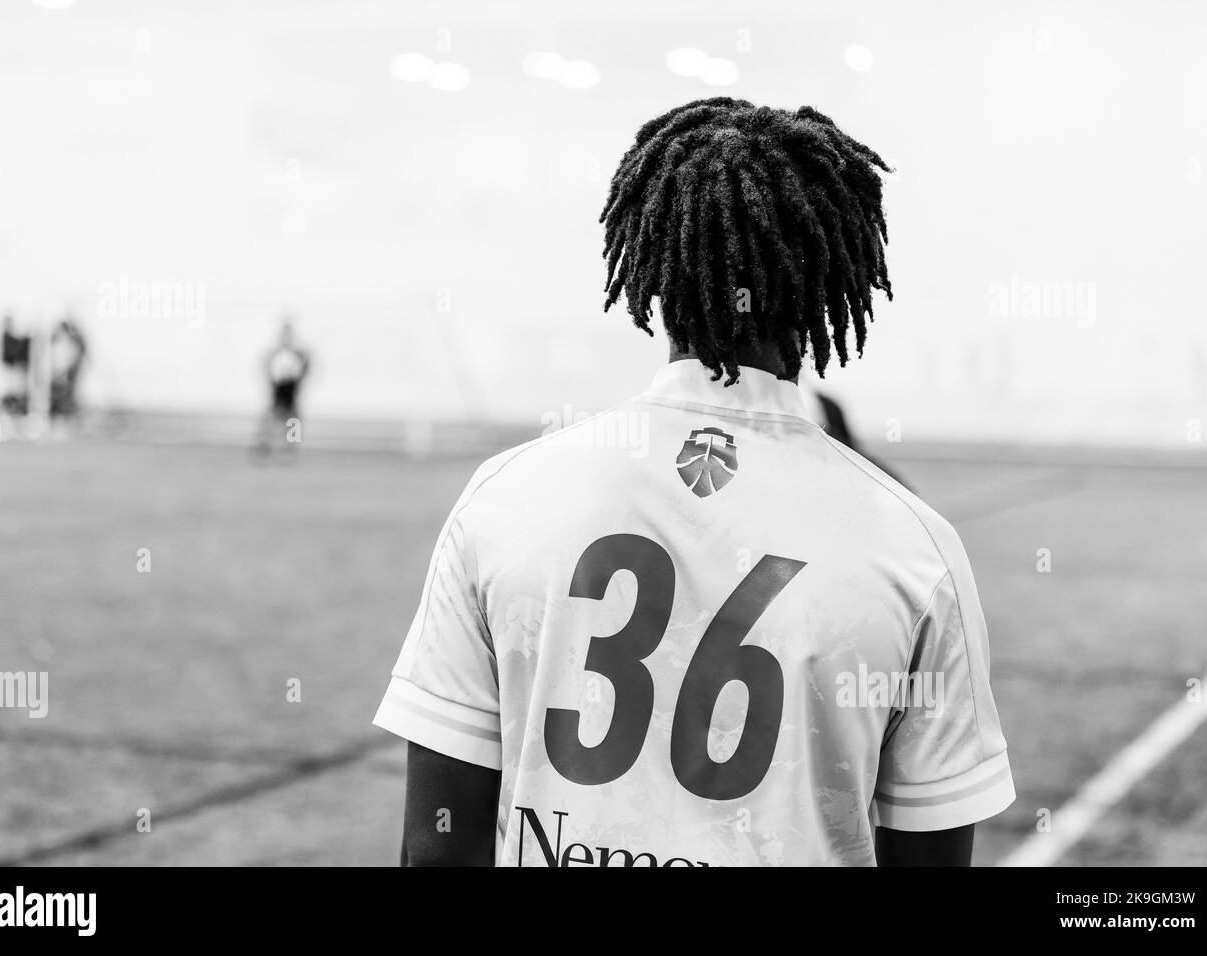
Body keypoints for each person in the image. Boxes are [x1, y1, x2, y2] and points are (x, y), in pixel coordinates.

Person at [374, 98, 1014, 866]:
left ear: (648, 261)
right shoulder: (916, 552)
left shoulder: (505, 498)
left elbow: (439, 849)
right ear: (828, 273)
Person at [254, 318, 310, 459]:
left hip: (291, 387)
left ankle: (289, 450)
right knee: (272, 418)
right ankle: (264, 446)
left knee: (292, 419)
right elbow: (266, 365)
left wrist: (300, 377)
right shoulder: (276, 352)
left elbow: (305, 366)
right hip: (279, 387)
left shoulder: (298, 353)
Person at [49, 316, 88, 425]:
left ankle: (67, 418)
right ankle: (64, 417)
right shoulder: (64, 340)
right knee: (63, 393)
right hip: (64, 372)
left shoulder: (73, 340)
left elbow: (75, 354)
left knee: (68, 394)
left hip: (69, 371)